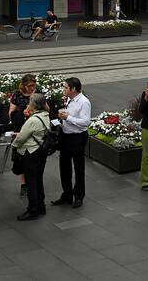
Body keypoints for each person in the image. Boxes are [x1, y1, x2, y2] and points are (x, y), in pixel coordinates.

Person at [13, 93, 52, 221]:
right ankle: (41, 206)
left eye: (30, 102)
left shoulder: (33, 120)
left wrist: (15, 144)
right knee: (38, 179)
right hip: (41, 152)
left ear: (34, 105)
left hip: (30, 153)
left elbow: (21, 138)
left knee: (31, 182)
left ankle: (33, 209)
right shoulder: (45, 116)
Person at [53, 77, 91, 209]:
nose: (63, 89)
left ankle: (79, 196)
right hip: (65, 135)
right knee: (64, 166)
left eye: (65, 87)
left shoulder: (84, 102)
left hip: (78, 137)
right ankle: (67, 194)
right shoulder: (68, 99)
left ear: (73, 89)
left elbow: (86, 122)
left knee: (78, 167)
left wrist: (67, 117)